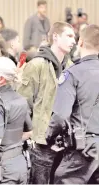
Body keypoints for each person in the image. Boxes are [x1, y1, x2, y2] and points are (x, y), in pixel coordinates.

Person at [17, 21, 76, 184]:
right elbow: (23, 103)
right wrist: (29, 134)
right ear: (55, 37)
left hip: (66, 141)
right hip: (41, 139)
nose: (74, 41)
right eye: (69, 36)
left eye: (75, 37)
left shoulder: (72, 68)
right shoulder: (36, 65)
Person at [46, 25, 99, 184]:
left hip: (83, 151)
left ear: (81, 42)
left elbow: (61, 116)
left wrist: (48, 136)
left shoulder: (73, 73)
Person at [0, 57, 32, 184]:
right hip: (20, 163)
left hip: (2, 167)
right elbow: (30, 132)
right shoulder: (20, 99)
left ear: (1, 79)